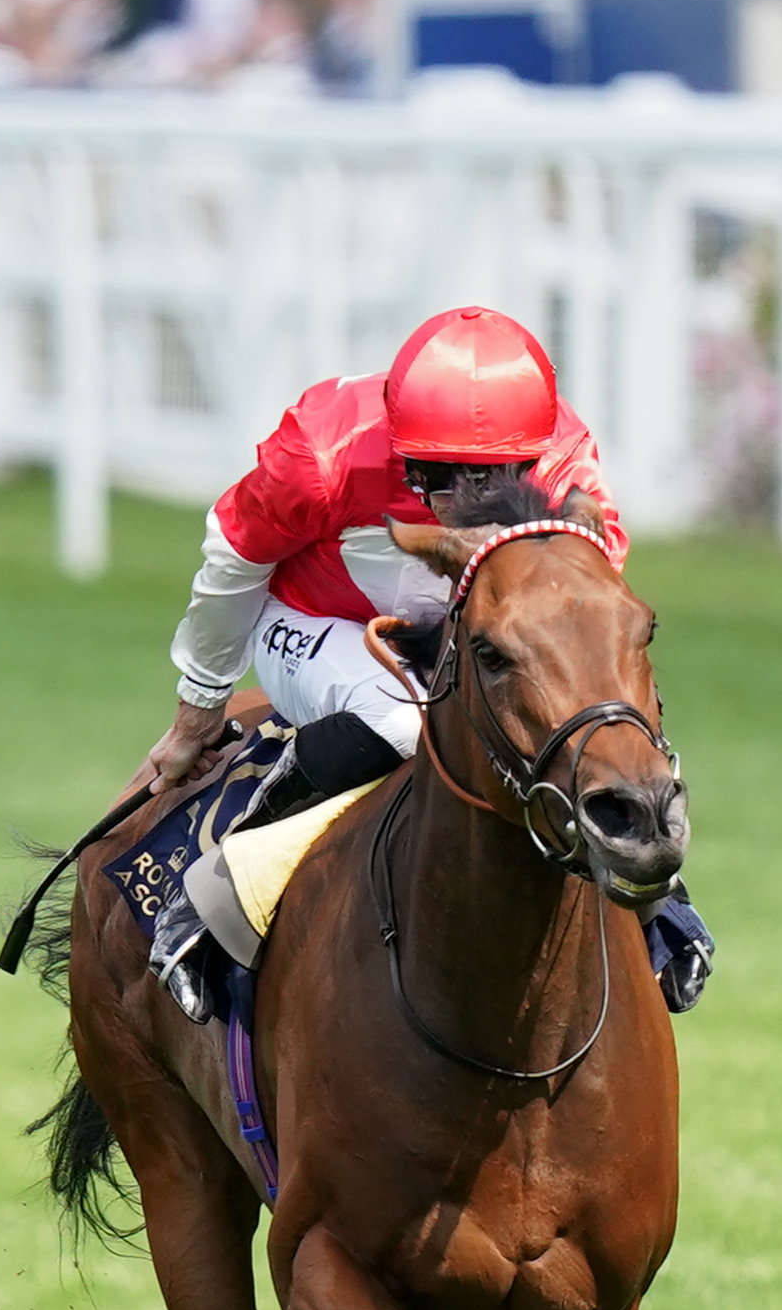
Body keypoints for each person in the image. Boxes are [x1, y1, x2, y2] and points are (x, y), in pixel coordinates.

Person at [121, 305, 713, 1024]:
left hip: (467, 633)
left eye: (493, 479)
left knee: (567, 729)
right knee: (407, 723)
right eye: (438, 476)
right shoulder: (325, 450)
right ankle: (216, 882)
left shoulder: (565, 459)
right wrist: (201, 701)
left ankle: (657, 899)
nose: (467, 503)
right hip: (315, 623)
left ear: (533, 455)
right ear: (403, 446)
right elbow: (234, 554)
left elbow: (583, 618)